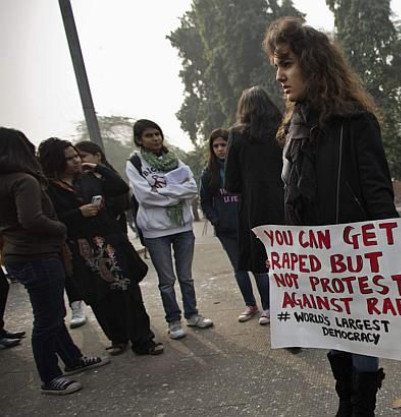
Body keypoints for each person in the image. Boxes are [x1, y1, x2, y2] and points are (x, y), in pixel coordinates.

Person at [263, 17, 401, 416]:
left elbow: (377, 196)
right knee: (333, 334)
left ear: (313, 62)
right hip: (318, 264)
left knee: (363, 337)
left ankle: (364, 404)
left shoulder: (357, 123)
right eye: (276, 66)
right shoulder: (292, 128)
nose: (280, 77)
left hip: (357, 261)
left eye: (286, 64)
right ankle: (345, 398)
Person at [0, 127, 110, 395]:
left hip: (18, 254)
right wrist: (61, 227)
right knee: (48, 318)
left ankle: (72, 358)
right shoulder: (24, 180)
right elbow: (31, 219)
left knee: (51, 314)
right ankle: (50, 376)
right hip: (37, 255)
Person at [38, 138, 163, 356]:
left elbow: (120, 187)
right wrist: (78, 214)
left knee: (128, 292)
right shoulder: (48, 190)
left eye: (76, 155)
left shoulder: (90, 179)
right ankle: (117, 338)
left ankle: (143, 340)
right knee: (99, 297)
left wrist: (99, 167)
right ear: (55, 161)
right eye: (69, 158)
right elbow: (48, 219)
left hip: (111, 243)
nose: (76, 161)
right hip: (81, 250)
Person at [125, 119, 214, 339]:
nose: (155, 138)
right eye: (148, 135)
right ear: (139, 139)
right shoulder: (136, 163)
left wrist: (163, 189)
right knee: (167, 281)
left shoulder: (175, 160)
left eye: (157, 134)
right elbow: (145, 196)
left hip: (182, 227)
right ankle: (173, 320)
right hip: (155, 231)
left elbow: (192, 188)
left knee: (186, 277)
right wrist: (175, 191)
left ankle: (192, 315)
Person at [223, 87, 285, 327]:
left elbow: (231, 183)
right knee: (291, 257)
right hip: (286, 205)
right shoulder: (284, 131)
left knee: (262, 262)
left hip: (254, 209)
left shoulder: (237, 135)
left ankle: (271, 308)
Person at [202, 128, 264, 324]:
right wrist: (215, 219)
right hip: (226, 230)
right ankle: (250, 305)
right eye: (216, 146)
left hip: (250, 227)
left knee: (259, 268)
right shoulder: (208, 173)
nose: (221, 149)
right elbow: (205, 201)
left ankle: (269, 307)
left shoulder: (245, 167)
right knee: (239, 268)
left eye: (224, 145)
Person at [75, 141, 130, 234]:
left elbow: (122, 194)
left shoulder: (110, 176)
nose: (80, 161)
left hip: (117, 227)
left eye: (83, 156)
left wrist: (98, 168)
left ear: (98, 156)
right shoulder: (82, 179)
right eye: (77, 157)